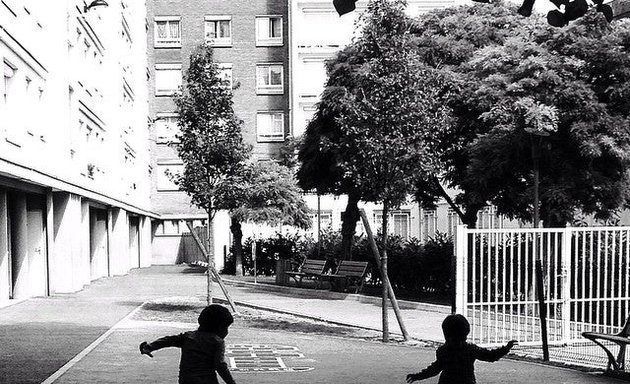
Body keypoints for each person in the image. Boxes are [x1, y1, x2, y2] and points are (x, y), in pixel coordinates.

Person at [140, 304, 237, 384]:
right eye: (226, 328)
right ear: (219, 328)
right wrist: (231, 382)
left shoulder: (188, 337)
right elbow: (220, 365)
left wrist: (149, 347)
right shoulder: (217, 342)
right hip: (206, 380)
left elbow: (168, 340)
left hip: (186, 380)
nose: (227, 332)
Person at [407, 314, 517, 384]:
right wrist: (506, 348)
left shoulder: (443, 350)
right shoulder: (470, 349)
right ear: (465, 333)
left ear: (446, 334)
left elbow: (435, 369)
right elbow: (490, 356)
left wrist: (418, 376)